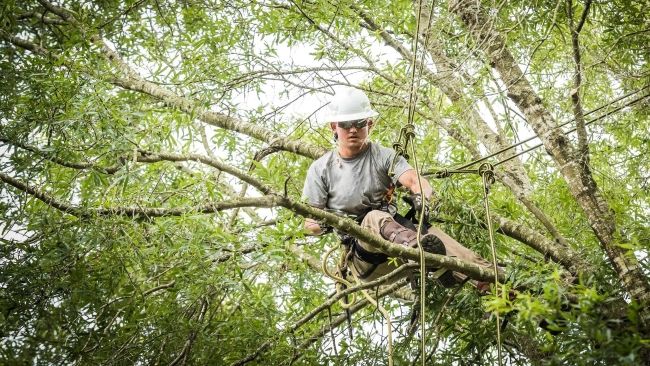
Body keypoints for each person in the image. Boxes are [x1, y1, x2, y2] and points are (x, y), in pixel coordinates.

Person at [302, 87, 495, 289]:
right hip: (365, 257)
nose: (353, 129)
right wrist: (331, 222)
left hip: (397, 237)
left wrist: (422, 197)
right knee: (373, 217)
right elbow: (310, 224)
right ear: (334, 126)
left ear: (369, 124)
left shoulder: (383, 156)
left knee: (459, 253)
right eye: (346, 124)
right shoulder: (321, 169)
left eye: (359, 123)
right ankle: (422, 254)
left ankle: (502, 289)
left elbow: (414, 179)